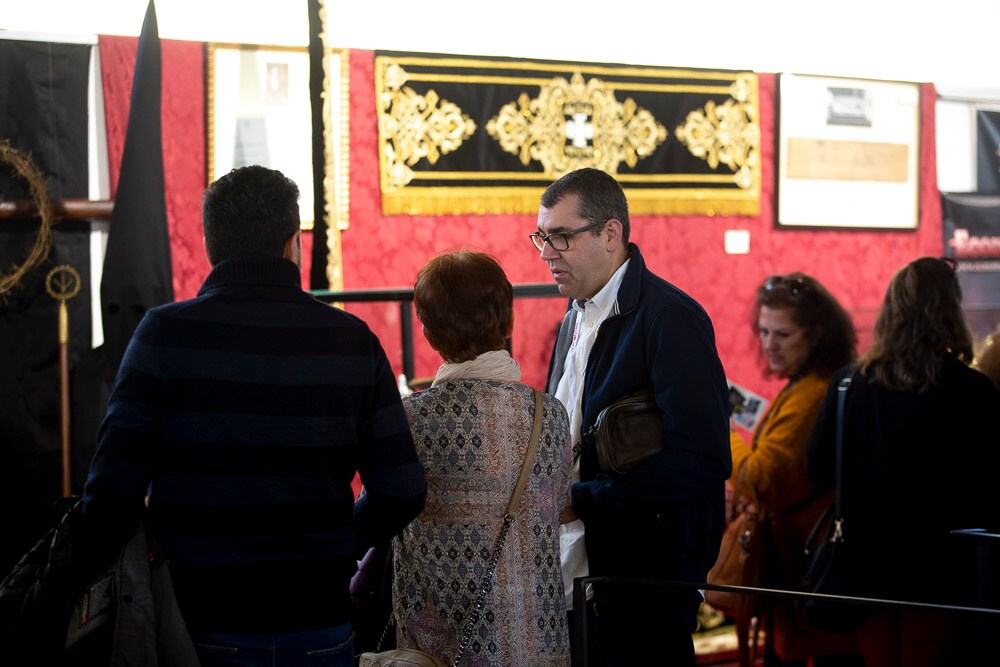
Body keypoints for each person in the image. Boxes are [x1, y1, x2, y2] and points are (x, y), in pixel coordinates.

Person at [72, 165, 428, 666]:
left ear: (210, 244)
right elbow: (402, 489)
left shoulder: (164, 335)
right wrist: (338, 540)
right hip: (319, 619)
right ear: (291, 245)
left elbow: (109, 494)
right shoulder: (351, 341)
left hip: (199, 620)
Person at [534, 167, 731, 666]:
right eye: (542, 237)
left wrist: (585, 499)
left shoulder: (671, 319)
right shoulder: (574, 316)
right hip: (581, 566)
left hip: (646, 575)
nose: (546, 253)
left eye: (561, 237)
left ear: (610, 233)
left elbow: (703, 458)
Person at [806, 256, 1000, 667]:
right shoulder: (974, 391)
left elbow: (818, 468)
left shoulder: (848, 384)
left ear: (890, 311)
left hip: (864, 565)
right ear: (950, 312)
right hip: (941, 571)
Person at [392, 249, 573, 665]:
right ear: (508, 320)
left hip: (443, 650)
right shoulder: (550, 415)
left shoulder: (410, 420)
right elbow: (559, 509)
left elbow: (383, 506)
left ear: (429, 332)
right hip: (536, 642)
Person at [726, 273, 860, 666]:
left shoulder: (811, 393)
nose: (769, 344)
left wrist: (723, 433)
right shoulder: (807, 384)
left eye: (782, 335)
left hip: (807, 581)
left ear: (815, 335)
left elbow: (762, 480)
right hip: (801, 580)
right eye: (764, 331)